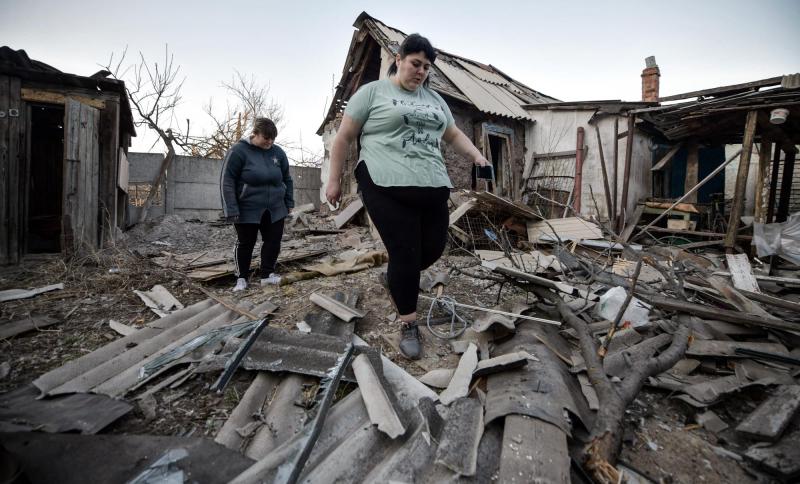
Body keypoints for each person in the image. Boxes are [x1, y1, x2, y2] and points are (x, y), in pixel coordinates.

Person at [325, 33, 489, 359]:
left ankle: (397, 280)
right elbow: (343, 137)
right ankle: (408, 322)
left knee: (431, 249)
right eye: (416, 63)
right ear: (398, 59)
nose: (421, 72)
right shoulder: (372, 93)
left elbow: (453, 134)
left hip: (431, 183)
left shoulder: (435, 100)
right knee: (405, 252)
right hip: (383, 182)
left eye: (427, 67)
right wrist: (333, 180)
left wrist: (477, 157)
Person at [220, 117, 294, 291]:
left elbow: (287, 178)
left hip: (275, 207)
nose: (270, 142)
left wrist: (289, 202)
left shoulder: (278, 153)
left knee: (273, 241)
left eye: (272, 138)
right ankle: (241, 278)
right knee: (246, 243)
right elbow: (227, 180)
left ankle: (267, 275)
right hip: (247, 207)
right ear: (255, 134)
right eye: (266, 138)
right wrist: (230, 207)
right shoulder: (239, 151)